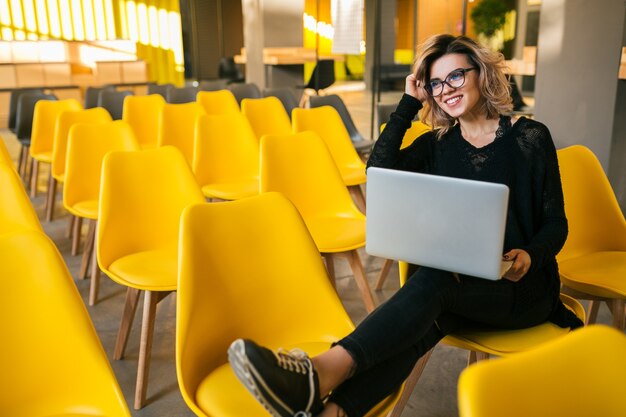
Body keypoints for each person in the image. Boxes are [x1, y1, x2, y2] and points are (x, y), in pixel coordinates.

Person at [227, 34, 583, 417]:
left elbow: (555, 223)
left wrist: (530, 254)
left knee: (432, 286)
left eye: (456, 77)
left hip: (523, 292)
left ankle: (316, 372)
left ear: (481, 73)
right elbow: (378, 171)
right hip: (460, 289)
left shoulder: (530, 137)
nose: (446, 90)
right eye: (436, 83)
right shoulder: (437, 144)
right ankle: (333, 413)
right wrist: (409, 103)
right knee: (419, 323)